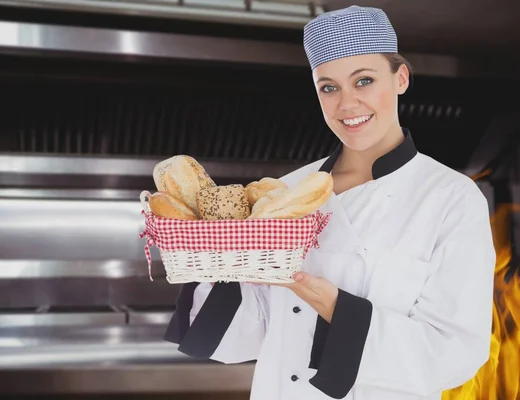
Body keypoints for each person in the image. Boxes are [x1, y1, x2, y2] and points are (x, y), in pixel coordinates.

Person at [163, 5, 496, 400]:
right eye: (329, 87)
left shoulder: (451, 198)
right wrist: (215, 262)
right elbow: (247, 334)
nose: (347, 104)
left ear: (401, 78)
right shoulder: (284, 192)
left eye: (364, 80)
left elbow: (457, 353)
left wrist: (340, 312)